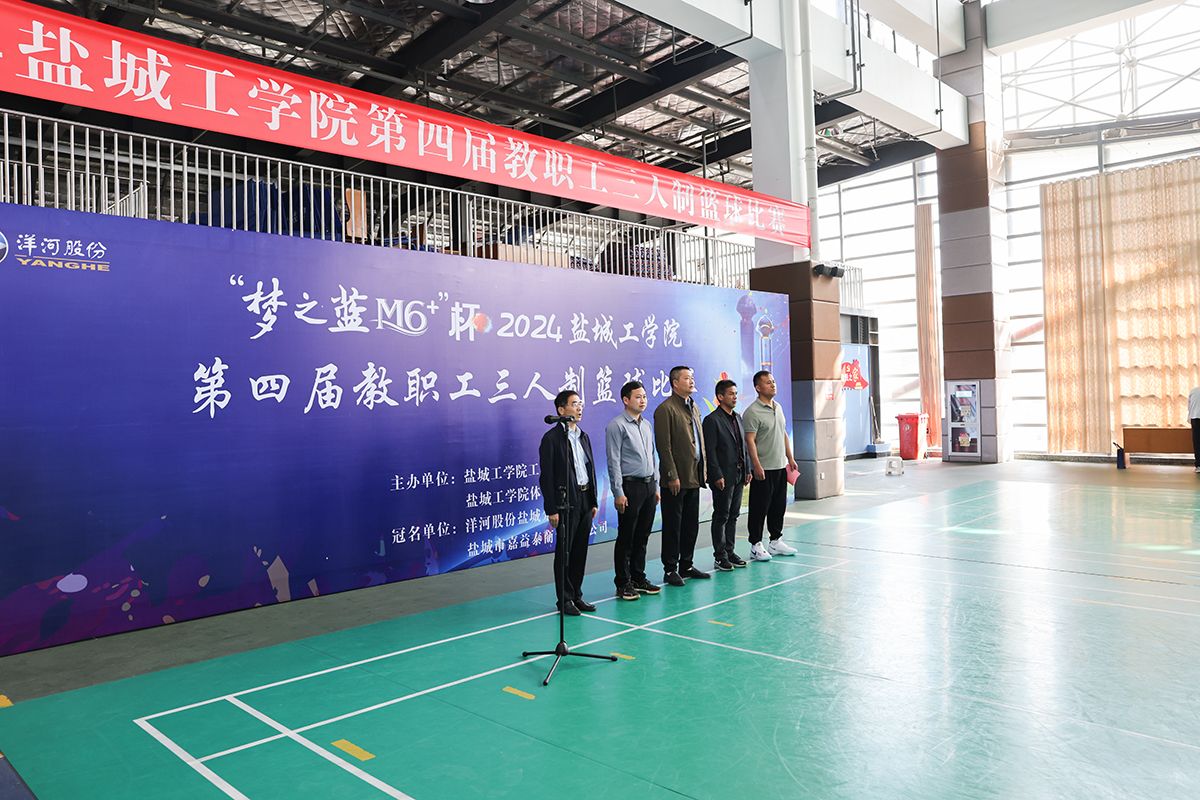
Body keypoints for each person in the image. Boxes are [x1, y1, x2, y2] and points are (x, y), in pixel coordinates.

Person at [538, 390, 599, 616]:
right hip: (566, 502)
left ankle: (576, 595)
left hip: (585, 499)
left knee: (580, 550)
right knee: (565, 551)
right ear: (561, 410)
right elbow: (546, 477)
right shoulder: (551, 439)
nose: (579, 407)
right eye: (574, 404)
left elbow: (590, 469)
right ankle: (564, 599)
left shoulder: (583, 436)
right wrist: (551, 508)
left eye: (580, 403)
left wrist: (593, 500)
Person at [605, 381, 662, 601]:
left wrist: (656, 485)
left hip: (648, 486)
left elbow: (653, 456)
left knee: (643, 535)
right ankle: (623, 582)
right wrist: (618, 492)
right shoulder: (616, 425)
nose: (643, 400)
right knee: (626, 537)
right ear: (626, 400)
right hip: (630, 487)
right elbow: (613, 461)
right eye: (638, 397)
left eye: (644, 396)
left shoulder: (646, 424)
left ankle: (638, 577)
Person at [653, 365, 710, 586]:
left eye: (692, 377)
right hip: (676, 479)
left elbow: (699, 442)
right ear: (675, 383)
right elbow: (664, 446)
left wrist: (704, 470)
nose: (691, 381)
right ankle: (670, 569)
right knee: (673, 526)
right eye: (687, 378)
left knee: (690, 524)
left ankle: (686, 564)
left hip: (693, 476)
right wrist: (671, 475)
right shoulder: (665, 409)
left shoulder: (693, 406)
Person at [743, 371, 799, 562]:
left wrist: (790, 458)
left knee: (778, 506)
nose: (773, 384)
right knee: (759, 508)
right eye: (768, 382)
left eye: (773, 381)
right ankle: (755, 545)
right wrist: (756, 465)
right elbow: (750, 441)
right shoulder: (752, 412)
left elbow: (783, 433)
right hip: (763, 469)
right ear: (758, 388)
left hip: (780, 467)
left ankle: (775, 541)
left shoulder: (778, 407)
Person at [703, 379, 751, 571]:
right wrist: (716, 475)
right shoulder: (712, 420)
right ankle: (720, 555)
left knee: (733, 515)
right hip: (723, 476)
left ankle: (730, 552)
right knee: (721, 515)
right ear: (720, 397)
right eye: (731, 394)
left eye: (736, 393)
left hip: (739, 474)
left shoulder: (737, 417)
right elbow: (710, 451)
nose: (735, 397)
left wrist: (747, 469)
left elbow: (743, 446)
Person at [1190, 385, 1200, 474]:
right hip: (1195, 417)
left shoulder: (1193, 391)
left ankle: (1198, 465)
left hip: (1195, 418)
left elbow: (1189, 406)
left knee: (1197, 442)